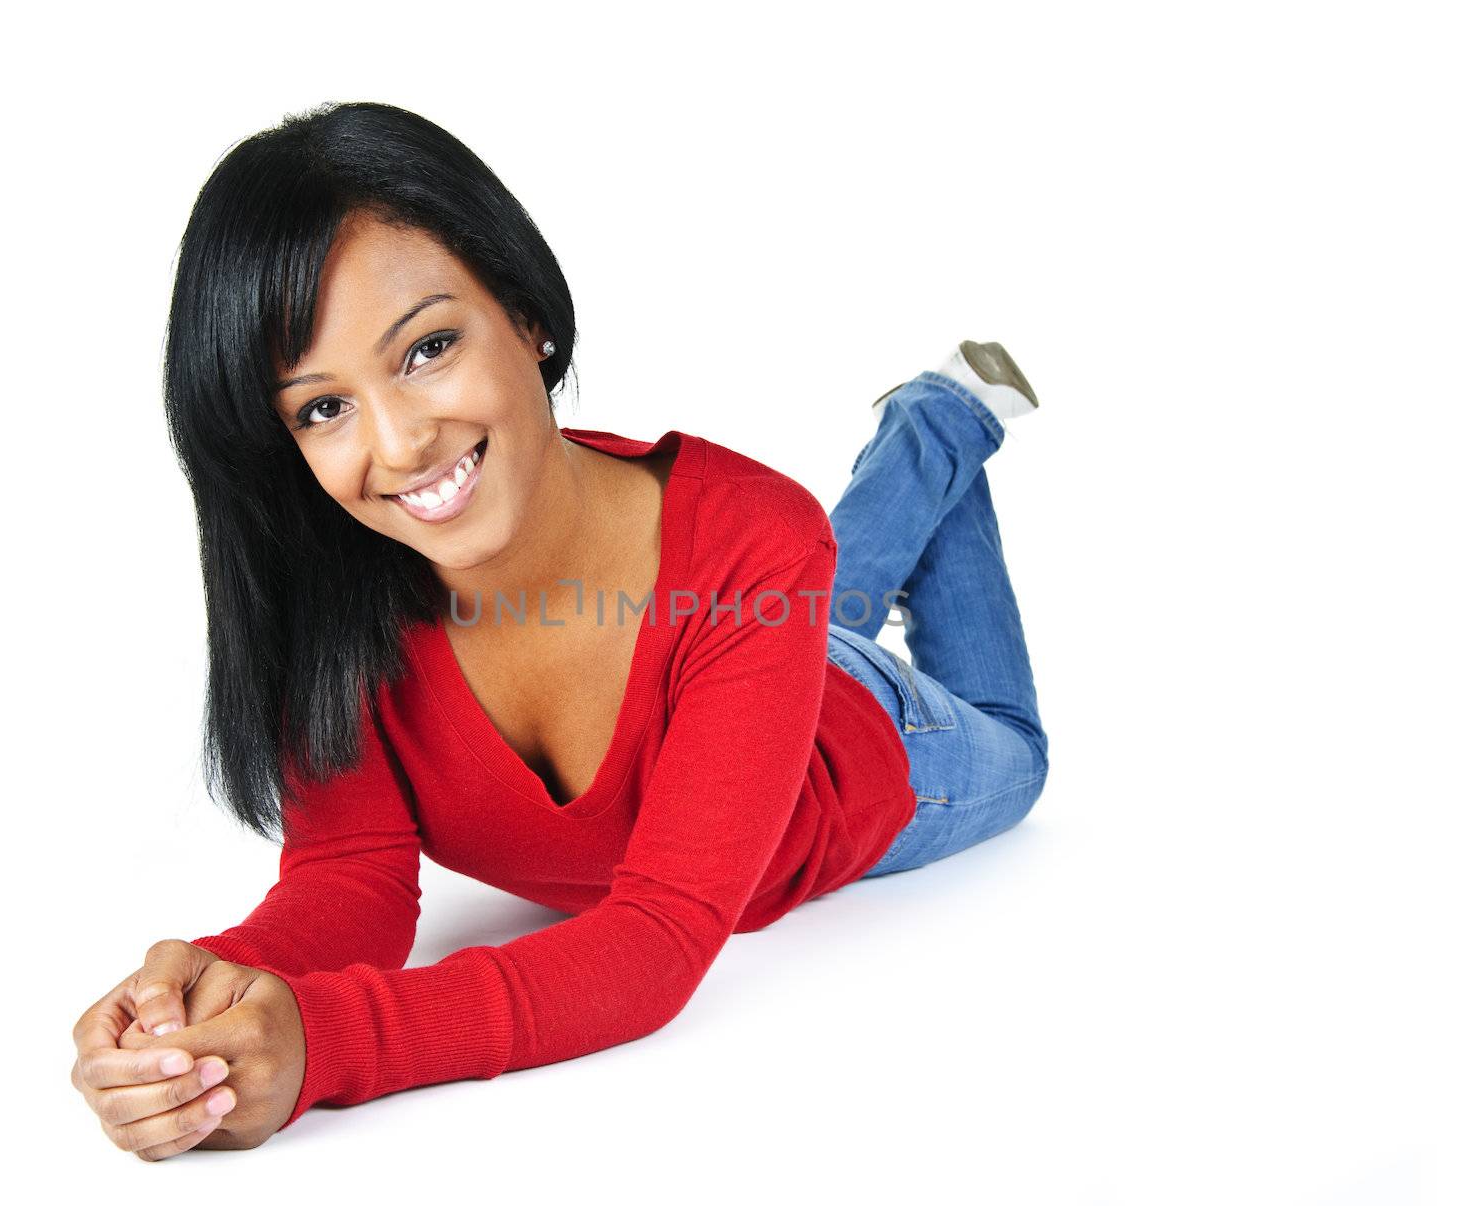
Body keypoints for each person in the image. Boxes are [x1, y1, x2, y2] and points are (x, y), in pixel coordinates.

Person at [68, 101, 1050, 1159]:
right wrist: (205, 1011)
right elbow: (347, 875)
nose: (396, 445)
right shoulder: (329, 587)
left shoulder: (750, 545)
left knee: (1005, 739)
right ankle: (915, 448)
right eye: (320, 408)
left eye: (426, 347)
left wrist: (328, 1043)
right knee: (799, 594)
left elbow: (657, 943)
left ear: (527, 313)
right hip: (751, 633)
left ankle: (942, 425)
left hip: (877, 747)